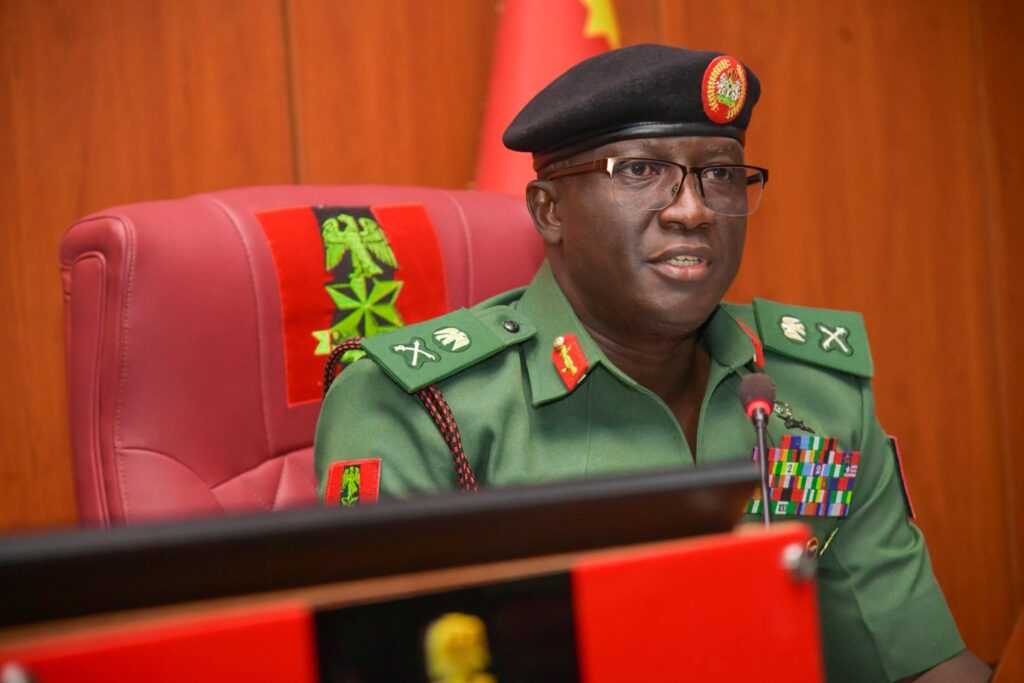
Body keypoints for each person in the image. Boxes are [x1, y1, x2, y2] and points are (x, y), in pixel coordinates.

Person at [314, 44, 989, 681]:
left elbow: (909, 654)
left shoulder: (813, 394)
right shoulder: (419, 409)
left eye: (720, 174)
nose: (694, 210)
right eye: (640, 171)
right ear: (549, 211)